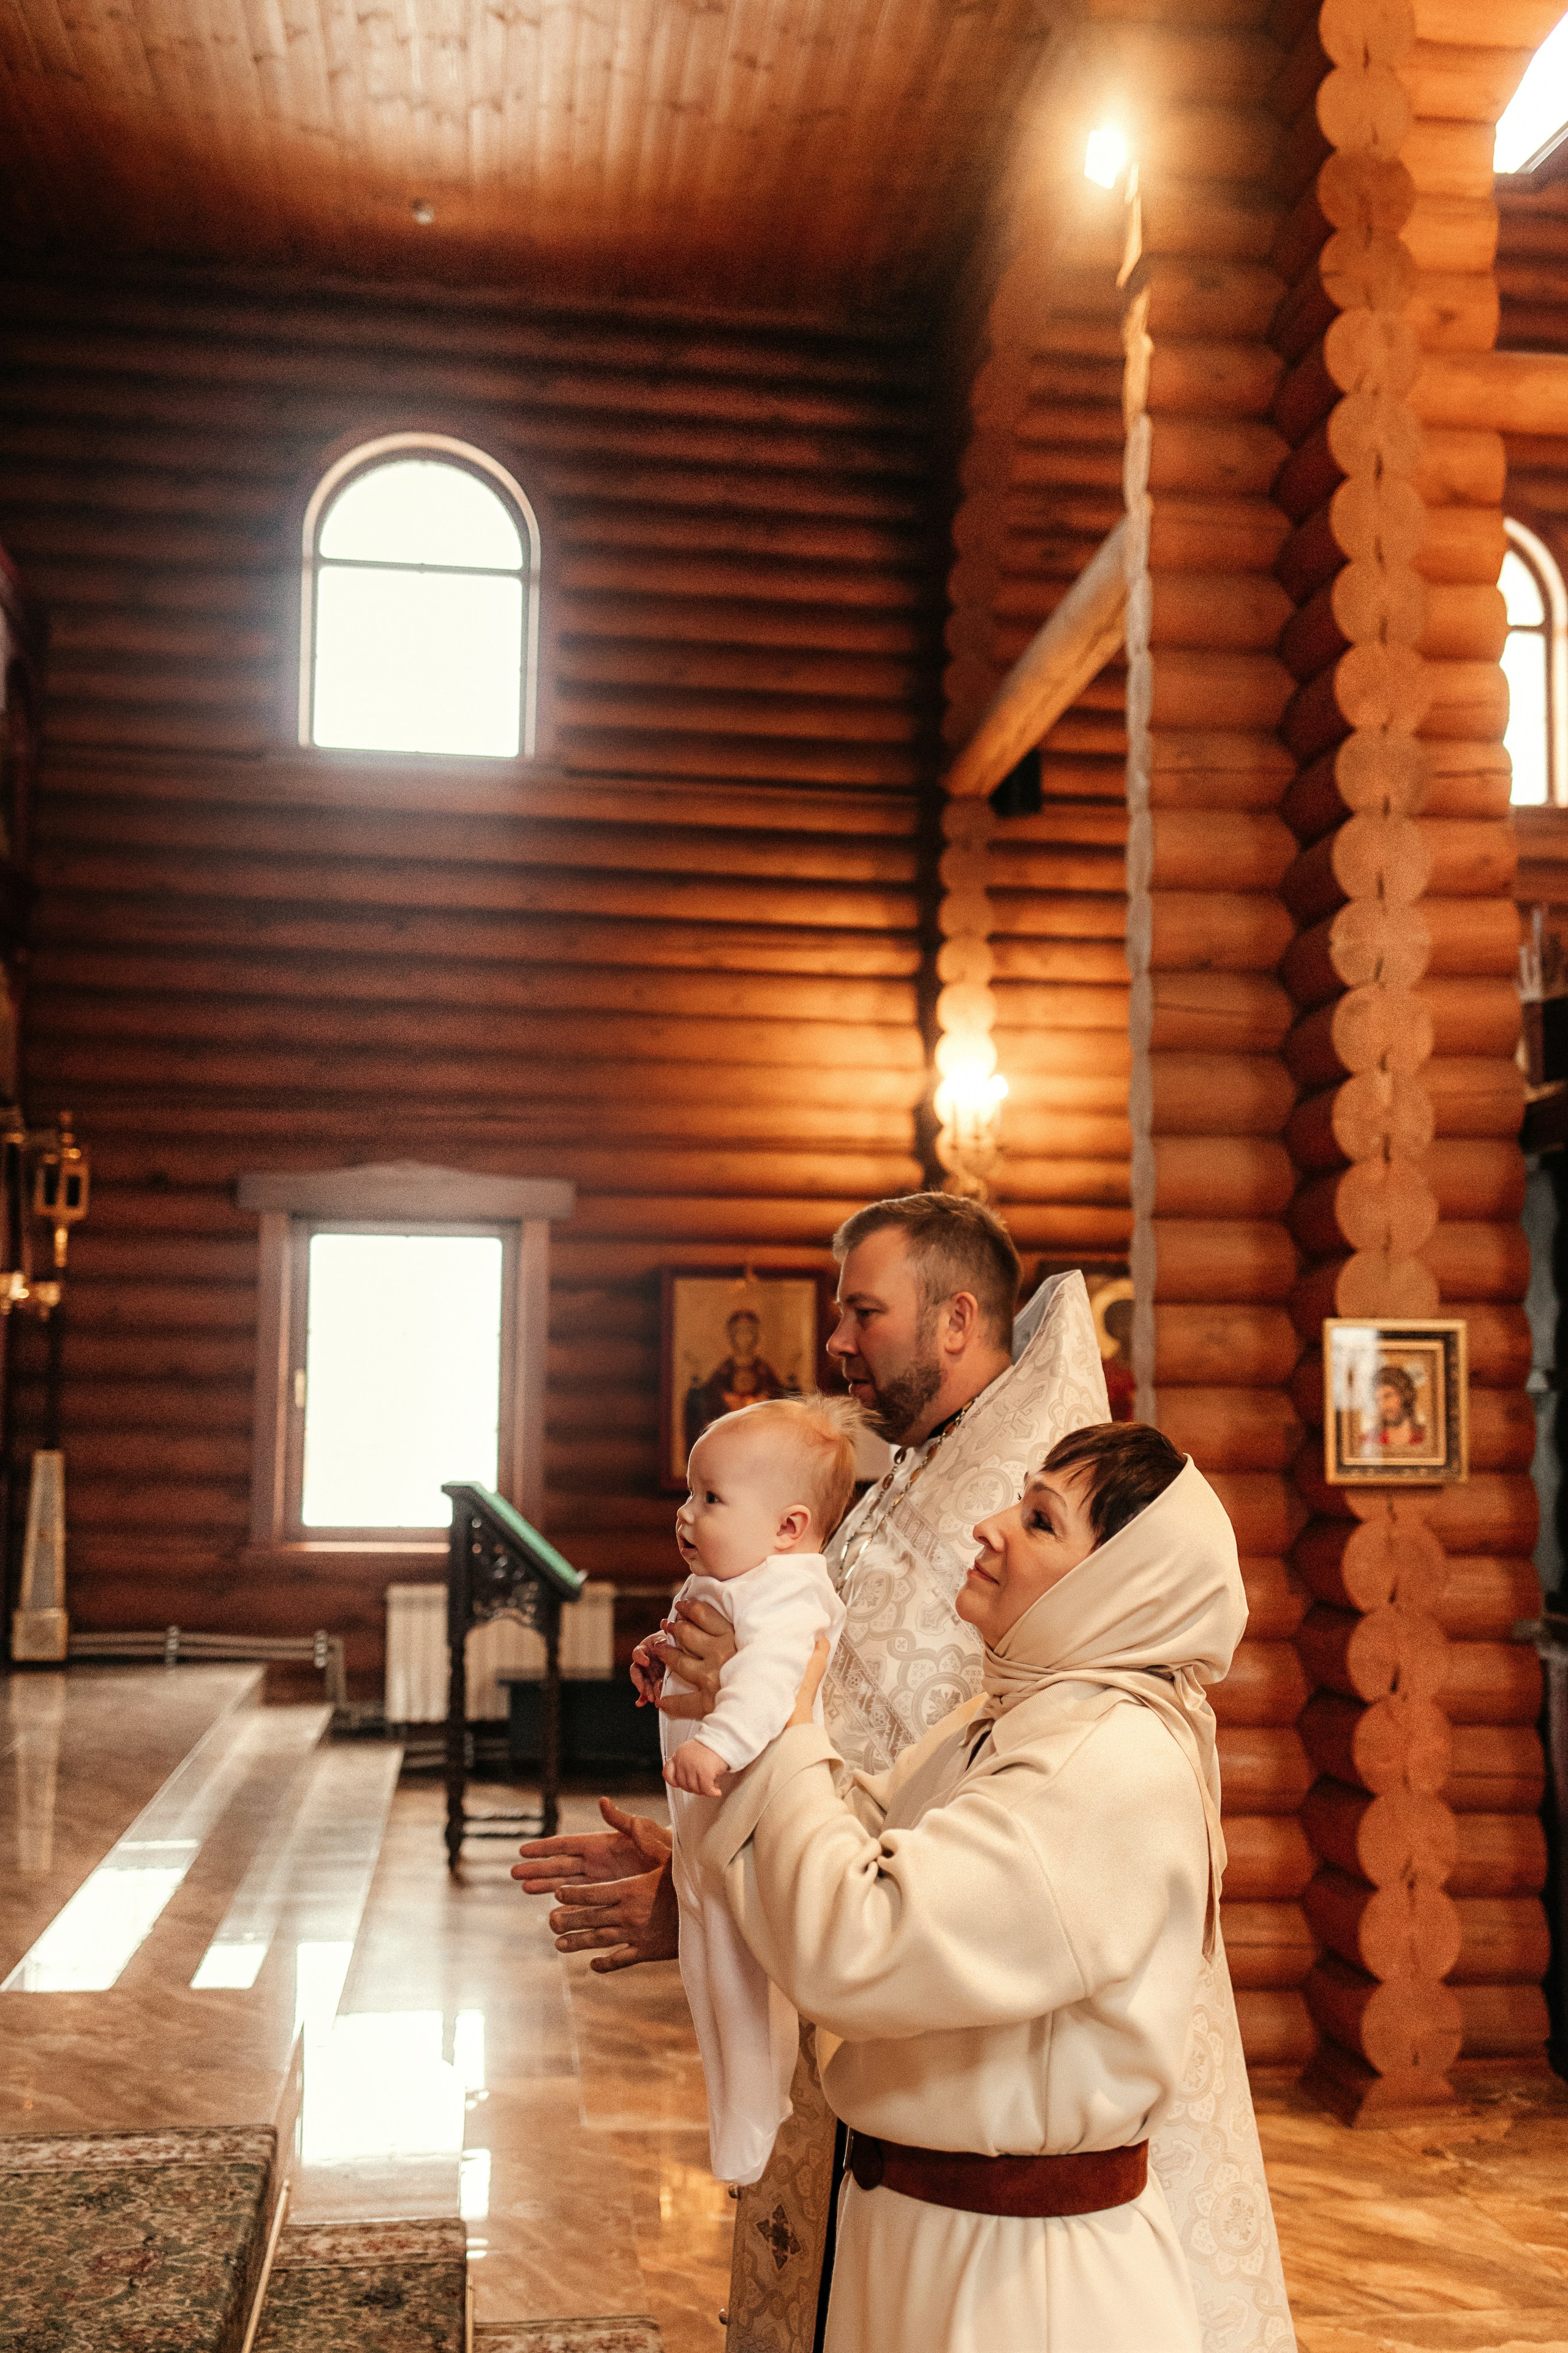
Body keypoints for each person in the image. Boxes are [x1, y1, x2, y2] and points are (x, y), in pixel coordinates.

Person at [515, 1193, 1293, 2351]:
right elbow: (887, 1802)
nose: (836, 1339)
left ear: (957, 1319)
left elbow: (907, 1898)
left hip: (1006, 2200)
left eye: (862, 1310)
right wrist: (704, 1880)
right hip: (901, 2148)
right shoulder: (914, 1499)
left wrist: (757, 1766)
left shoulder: (1090, 1716)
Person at [702, 1422, 1288, 2353]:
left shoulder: (1105, 1765)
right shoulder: (1017, 1718)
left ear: (1116, 1585)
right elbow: (860, 1835)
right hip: (930, 2234)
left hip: (1026, 2284)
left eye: (1040, 1519)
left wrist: (784, 1719)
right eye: (1019, 1498)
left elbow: (861, 1945)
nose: (990, 1525)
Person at [631, 1395, 859, 2185]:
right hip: (703, 1830)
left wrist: (719, 1745)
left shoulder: (790, 1591)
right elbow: (690, 1636)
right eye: (690, 1495)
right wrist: (655, 1654)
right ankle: (733, 2108)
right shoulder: (733, 1575)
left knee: (739, 1980)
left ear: (788, 1528)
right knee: (704, 1973)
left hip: (747, 1822)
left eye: (711, 1498)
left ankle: (753, 2118)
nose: (687, 1515)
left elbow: (769, 1685)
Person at [685, 1307, 795, 1454]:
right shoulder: (723, 1370)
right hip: (730, 1442)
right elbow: (711, 1401)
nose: (744, 1337)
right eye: (739, 1332)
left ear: (755, 1336)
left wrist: (758, 1402)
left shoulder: (764, 1370)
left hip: (760, 1440)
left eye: (749, 1332)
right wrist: (730, 1401)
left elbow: (778, 1399)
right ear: (732, 1336)